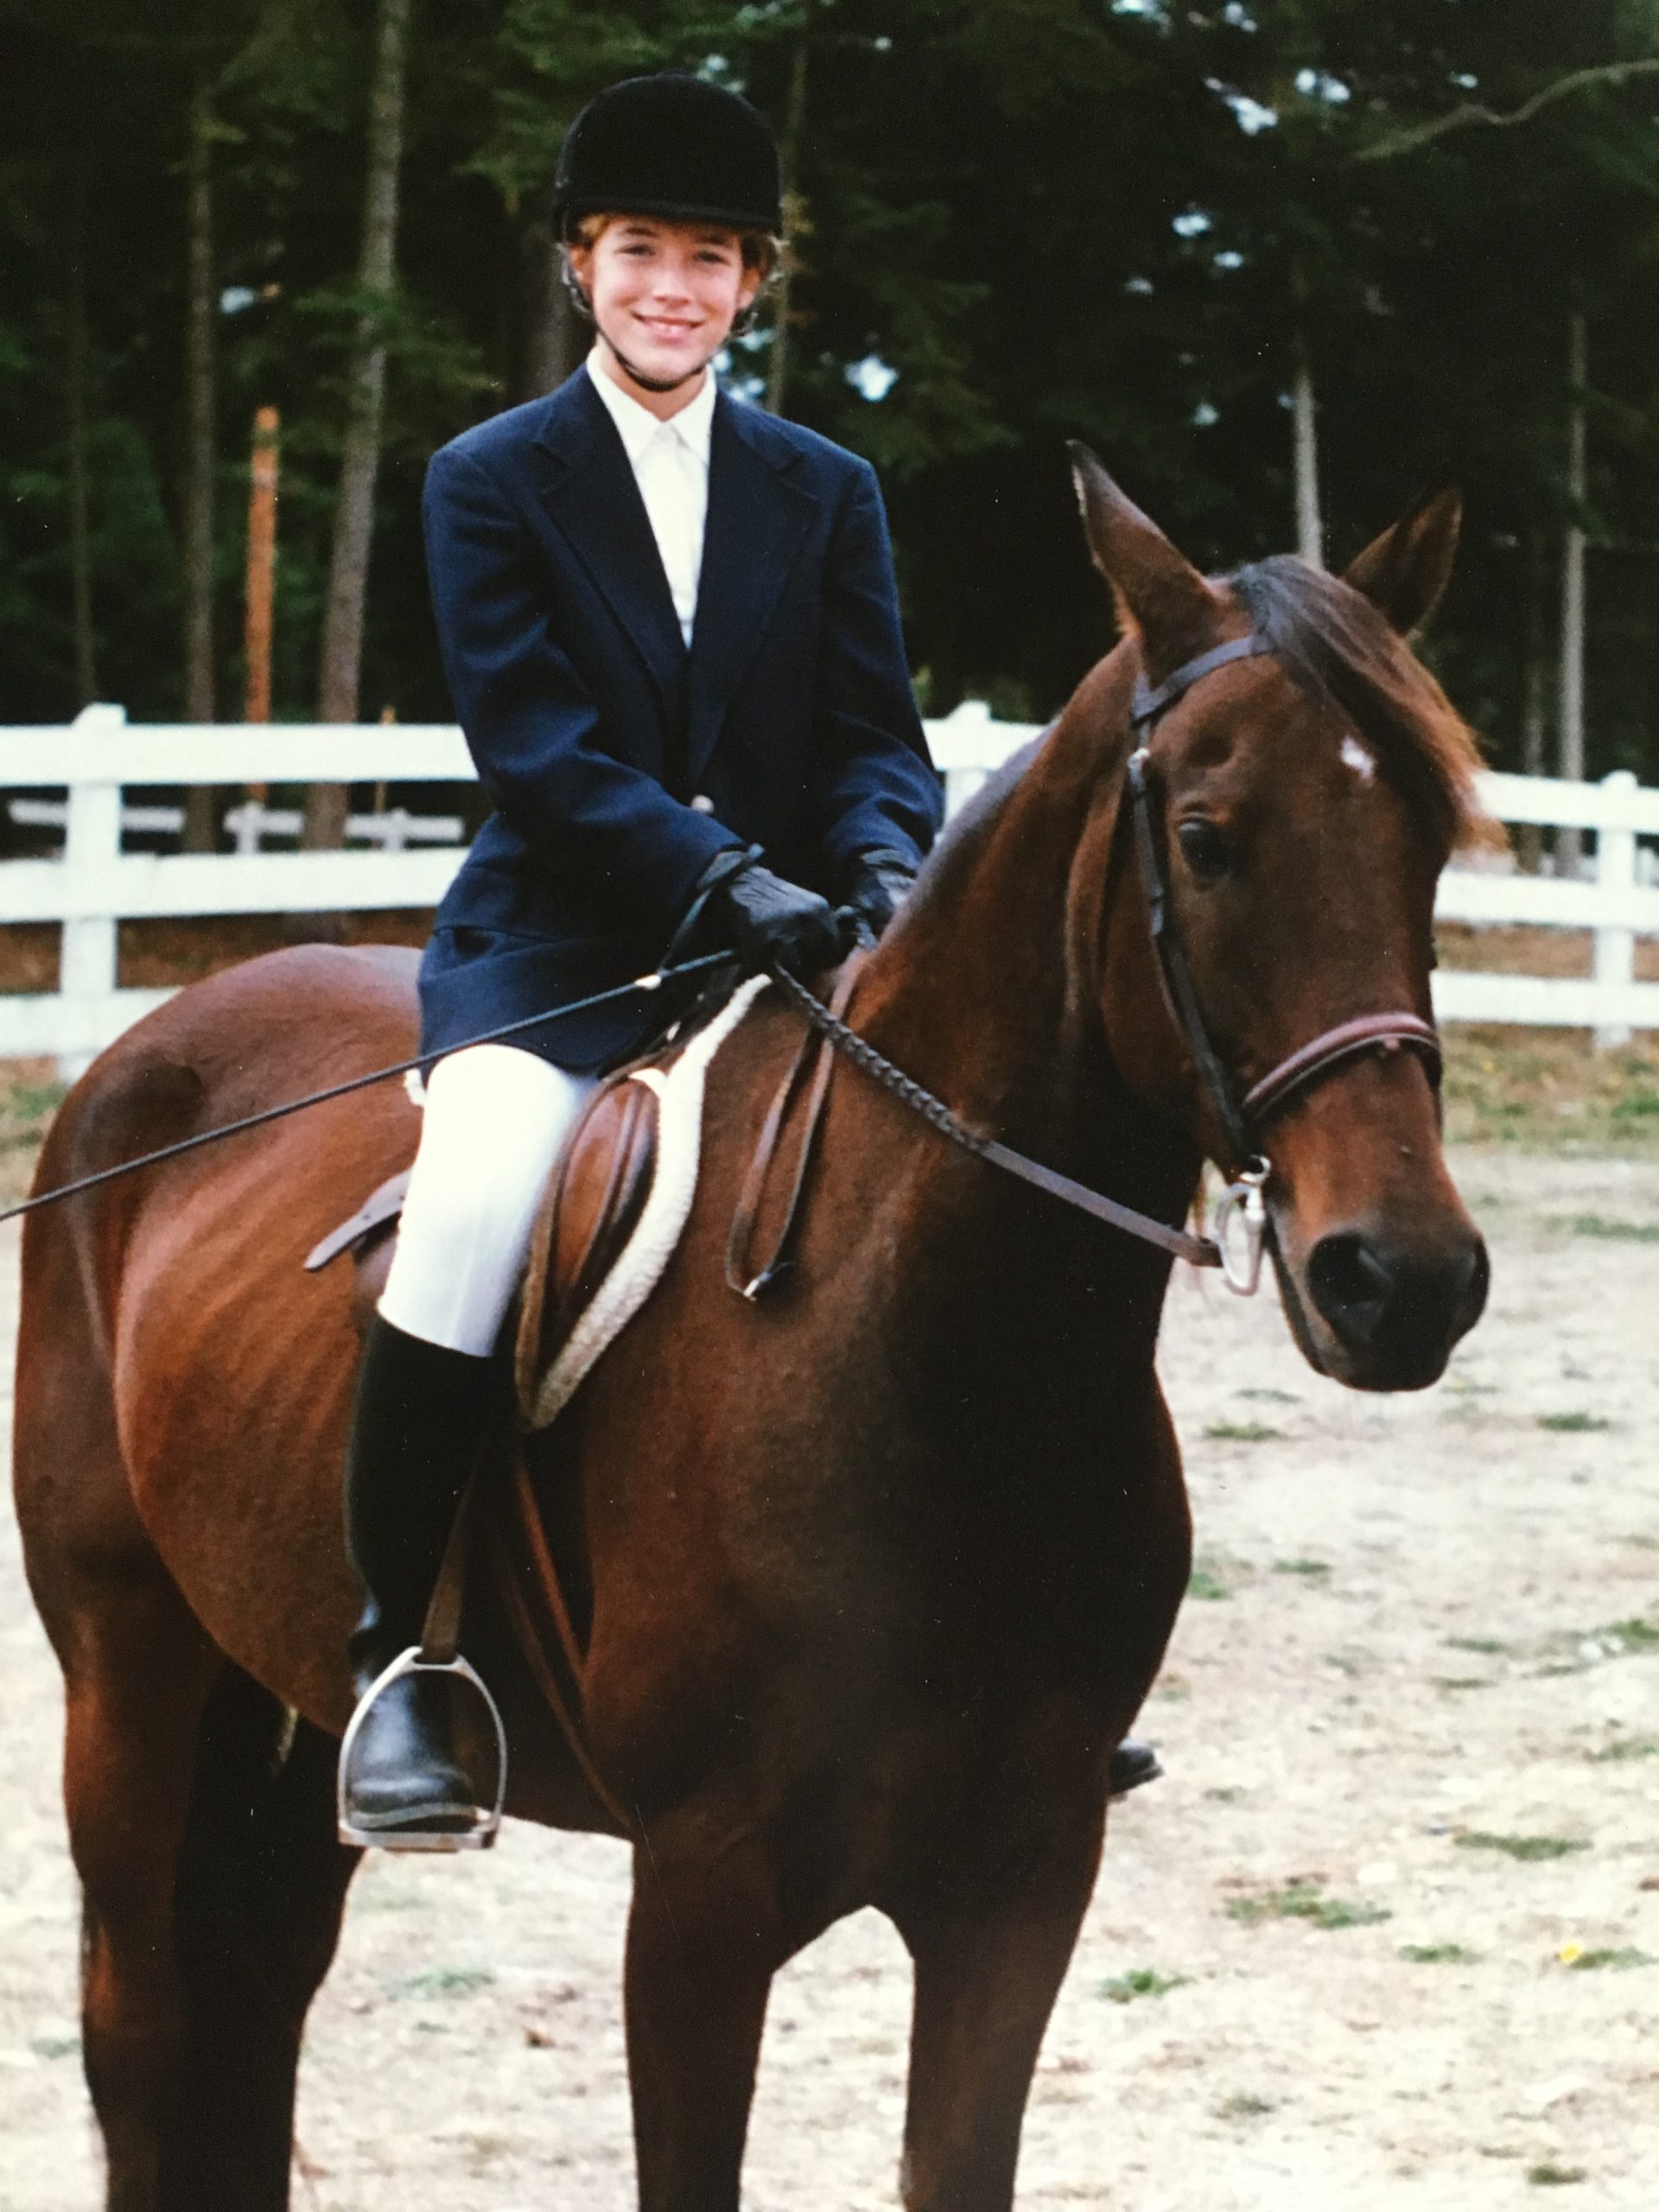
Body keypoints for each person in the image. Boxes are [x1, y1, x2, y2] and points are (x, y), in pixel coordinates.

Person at [338, 72, 944, 1847]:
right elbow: (537, 748)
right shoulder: (490, 478)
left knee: (944, 1208)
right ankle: (402, 1660)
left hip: (789, 952)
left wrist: (886, 854)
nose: (672, 286)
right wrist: (722, 873)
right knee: (471, 1197)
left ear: (752, 280)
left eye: (708, 257)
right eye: (638, 251)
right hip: (565, 943)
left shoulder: (824, 488)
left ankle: (966, 1631)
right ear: (579, 264)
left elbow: (871, 730)